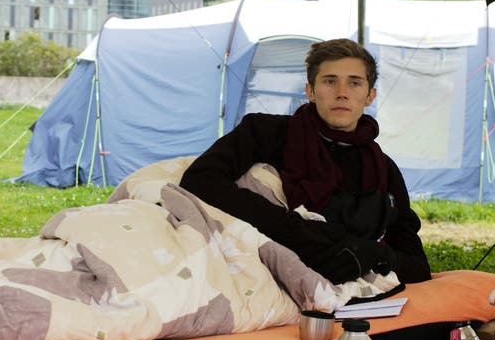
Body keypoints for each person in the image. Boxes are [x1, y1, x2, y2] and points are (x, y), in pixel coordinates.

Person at [180, 38, 431, 285]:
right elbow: (200, 179)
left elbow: (418, 267)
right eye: (330, 81)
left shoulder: (383, 169)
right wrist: (298, 231)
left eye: (354, 83)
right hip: (252, 272)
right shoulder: (265, 133)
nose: (342, 93)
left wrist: (374, 255)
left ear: (370, 96)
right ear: (310, 91)